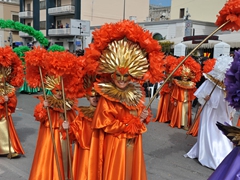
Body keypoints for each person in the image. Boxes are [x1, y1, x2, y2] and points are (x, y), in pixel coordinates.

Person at [84, 20, 165, 180]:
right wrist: (129, 124)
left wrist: (144, 115)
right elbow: (105, 122)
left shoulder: (135, 92)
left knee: (130, 172)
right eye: (118, 75)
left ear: (132, 74)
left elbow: (138, 111)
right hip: (116, 146)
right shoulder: (106, 96)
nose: (121, 80)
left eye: (126, 76)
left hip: (133, 143)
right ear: (111, 73)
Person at [184, 55, 235, 170]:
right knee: (209, 130)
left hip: (223, 113)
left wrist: (231, 112)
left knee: (223, 132)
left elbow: (231, 102)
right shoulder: (211, 82)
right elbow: (201, 95)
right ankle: (208, 152)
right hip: (210, 112)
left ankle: (224, 154)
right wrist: (205, 98)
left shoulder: (230, 87)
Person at [29, 76, 78, 180]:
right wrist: (44, 107)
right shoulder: (46, 102)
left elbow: (75, 122)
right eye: (57, 90)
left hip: (63, 138)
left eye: (62, 90)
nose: (59, 93)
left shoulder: (68, 104)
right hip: (49, 138)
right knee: (47, 158)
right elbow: (38, 117)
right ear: (52, 89)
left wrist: (68, 127)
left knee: (63, 159)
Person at [62, 86, 100, 180]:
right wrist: (68, 128)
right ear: (88, 97)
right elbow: (74, 131)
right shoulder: (82, 115)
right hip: (85, 152)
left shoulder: (106, 114)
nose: (95, 98)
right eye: (92, 96)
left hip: (100, 151)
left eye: (97, 96)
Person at [169, 56, 201, 130]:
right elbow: (176, 91)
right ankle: (179, 122)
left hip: (187, 97)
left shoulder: (191, 83)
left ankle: (185, 124)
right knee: (180, 108)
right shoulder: (177, 83)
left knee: (186, 109)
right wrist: (174, 99)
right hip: (180, 98)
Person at [0, 67, 25, 158]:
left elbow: (14, 101)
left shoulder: (9, 89)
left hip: (4, 114)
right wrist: (2, 99)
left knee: (5, 128)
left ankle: (8, 148)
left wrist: (8, 100)